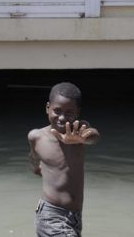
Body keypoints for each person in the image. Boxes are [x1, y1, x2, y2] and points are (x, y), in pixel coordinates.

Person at [28, 82, 100, 237]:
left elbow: (94, 136)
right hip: (50, 215)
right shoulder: (37, 136)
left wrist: (80, 139)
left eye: (69, 112)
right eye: (57, 111)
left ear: (77, 112)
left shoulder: (79, 129)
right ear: (48, 108)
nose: (62, 117)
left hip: (74, 217)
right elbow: (33, 156)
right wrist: (36, 167)